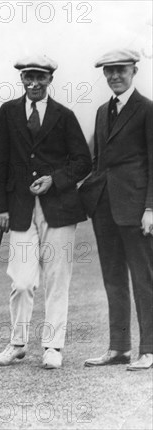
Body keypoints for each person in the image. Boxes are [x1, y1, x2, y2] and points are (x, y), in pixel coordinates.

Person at [0, 55, 91, 369]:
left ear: (50, 79)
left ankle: (53, 347)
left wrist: (55, 179)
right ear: (21, 79)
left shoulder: (64, 115)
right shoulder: (8, 113)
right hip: (19, 209)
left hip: (59, 209)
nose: (34, 83)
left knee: (57, 279)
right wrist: (2, 208)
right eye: (28, 77)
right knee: (21, 281)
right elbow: (1, 163)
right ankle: (17, 343)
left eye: (40, 78)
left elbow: (82, 161)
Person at [81, 49, 153, 371]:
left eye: (120, 70)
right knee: (113, 279)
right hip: (105, 209)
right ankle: (119, 347)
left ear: (134, 71)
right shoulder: (100, 111)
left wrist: (150, 208)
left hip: (137, 209)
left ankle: (149, 349)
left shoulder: (147, 109)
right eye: (109, 71)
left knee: (144, 279)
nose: (114, 76)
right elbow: (98, 163)